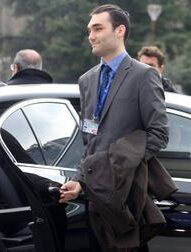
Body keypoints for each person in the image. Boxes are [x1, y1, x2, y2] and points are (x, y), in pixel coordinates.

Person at [59, 4, 171, 251]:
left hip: (128, 197)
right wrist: (79, 179)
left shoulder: (144, 76)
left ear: (120, 30)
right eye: (89, 29)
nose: (91, 35)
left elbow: (159, 134)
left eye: (98, 28)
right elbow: (89, 139)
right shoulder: (86, 80)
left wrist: (122, 168)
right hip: (94, 200)